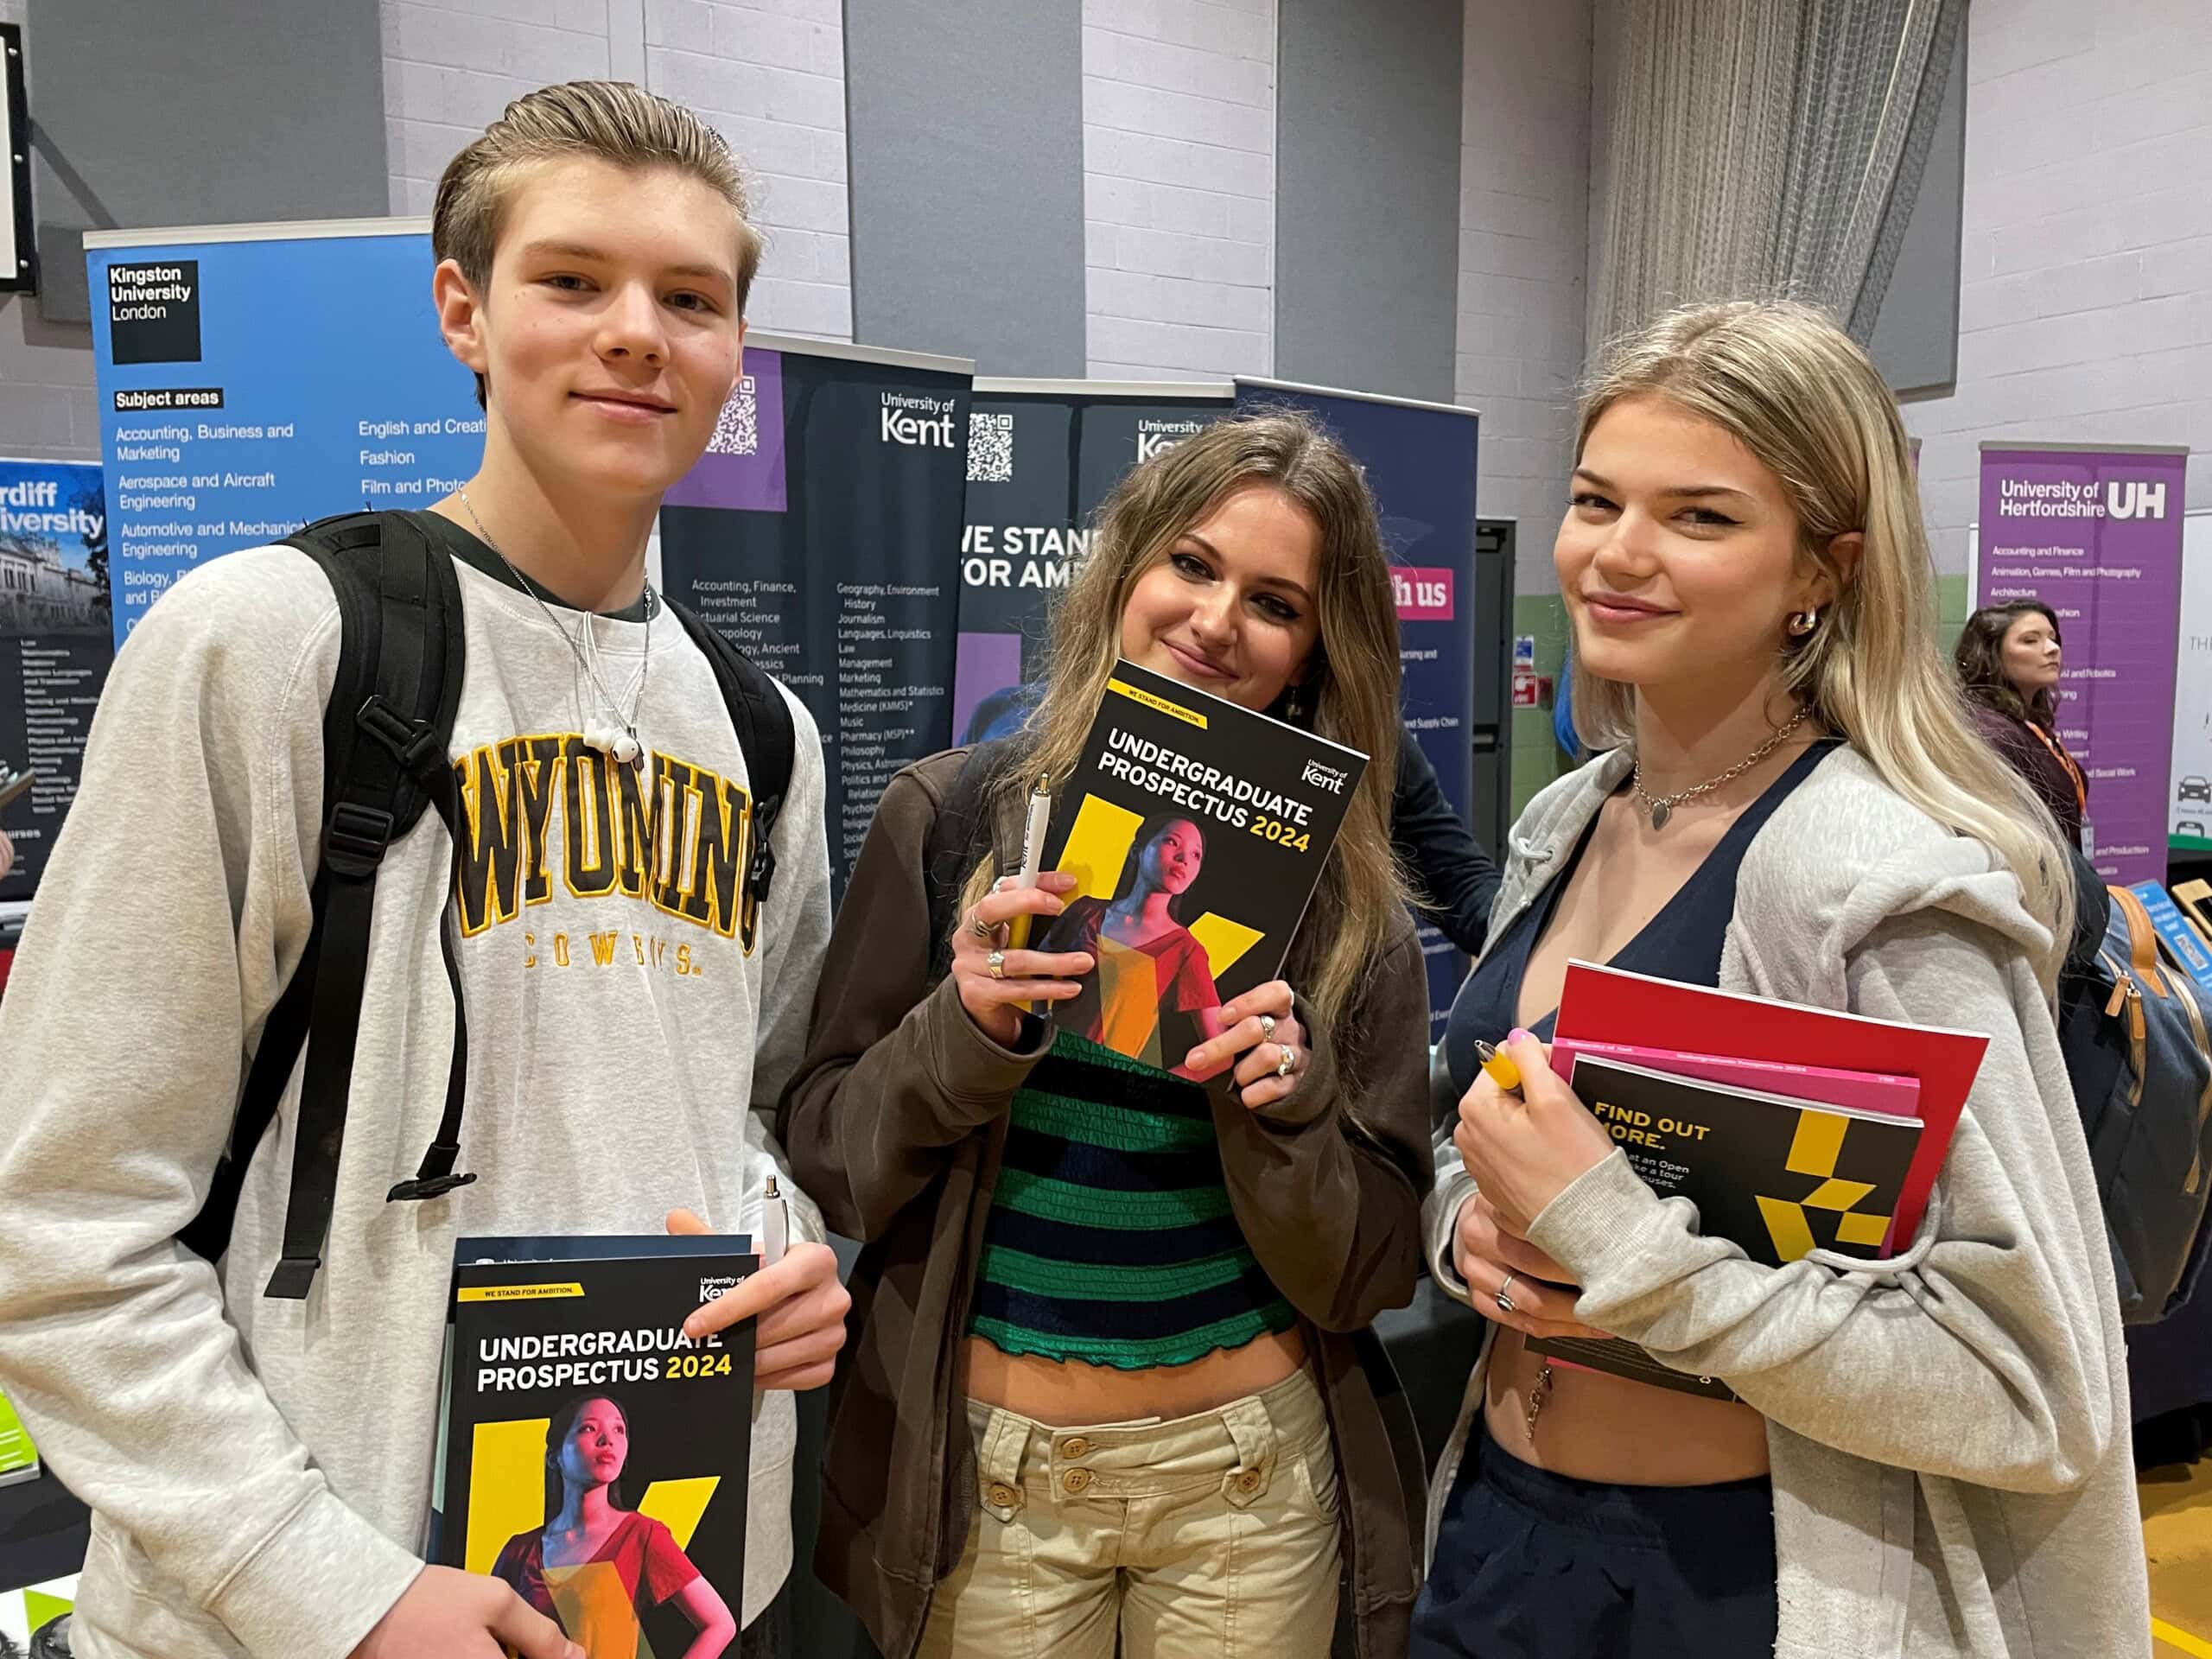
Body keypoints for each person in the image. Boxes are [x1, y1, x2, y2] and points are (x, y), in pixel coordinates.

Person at [0, 82, 850, 1659]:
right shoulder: (267, 643)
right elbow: (55, 1219)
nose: (636, 335)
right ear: (465, 309)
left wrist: (789, 1246)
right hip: (308, 1608)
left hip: (653, 1595)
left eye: (691, 299)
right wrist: (338, 1590)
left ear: (736, 353)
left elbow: (744, 1111)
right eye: (573, 281)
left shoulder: (765, 736)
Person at [1417, 300, 2149, 1658]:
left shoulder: (1877, 879)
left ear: (1825, 566)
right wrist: (1467, 1221)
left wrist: (1620, 1247)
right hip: (1498, 1541)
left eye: (1700, 516)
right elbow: (1506, 1131)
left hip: (1736, 1589)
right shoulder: (1567, 817)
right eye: (1594, 501)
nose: (1616, 555)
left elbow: (2026, 1383)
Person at [781, 410, 1435, 1659]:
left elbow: (1377, 1270)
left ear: (1309, 651)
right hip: (995, 1482)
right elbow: (831, 1162)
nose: (1216, 621)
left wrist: (1288, 1107)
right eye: (1191, 565)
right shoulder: (953, 817)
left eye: (1275, 602)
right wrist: (961, 1032)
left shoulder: (1345, 906)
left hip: (1247, 1482)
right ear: (1127, 571)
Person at [492, 1395, 735, 1659]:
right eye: (588, 1428)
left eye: (619, 1430)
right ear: (555, 1456)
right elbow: (485, 1629)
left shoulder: (641, 1534)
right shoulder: (519, 1550)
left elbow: (720, 1624)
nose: (607, 1439)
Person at [1037, 811, 1229, 1077]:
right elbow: (1034, 971)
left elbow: (1220, 1054)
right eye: (1172, 842)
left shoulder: (1185, 950)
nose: (1184, 859)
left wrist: (1148, 1090)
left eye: (1196, 855)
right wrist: (1036, 1022)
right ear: (1138, 849)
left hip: (1098, 1094)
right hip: (1036, 1065)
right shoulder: (1085, 911)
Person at [1955, 600, 2088, 849]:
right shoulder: (1990, 732)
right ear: (1990, 654)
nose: (2052, 649)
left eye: (2053, 638)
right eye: (2030, 640)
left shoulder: (2026, 719)